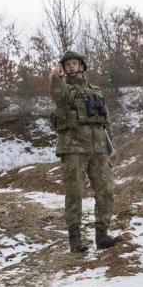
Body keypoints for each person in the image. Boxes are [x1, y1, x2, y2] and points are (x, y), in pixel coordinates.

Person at [50, 50, 122, 252]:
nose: (71, 66)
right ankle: (75, 240)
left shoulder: (96, 91)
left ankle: (102, 235)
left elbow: (105, 122)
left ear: (82, 66)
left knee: (106, 191)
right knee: (74, 193)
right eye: (68, 64)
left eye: (75, 63)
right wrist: (56, 79)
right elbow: (57, 95)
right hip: (73, 149)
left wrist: (111, 147)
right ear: (63, 68)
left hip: (99, 149)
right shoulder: (65, 90)